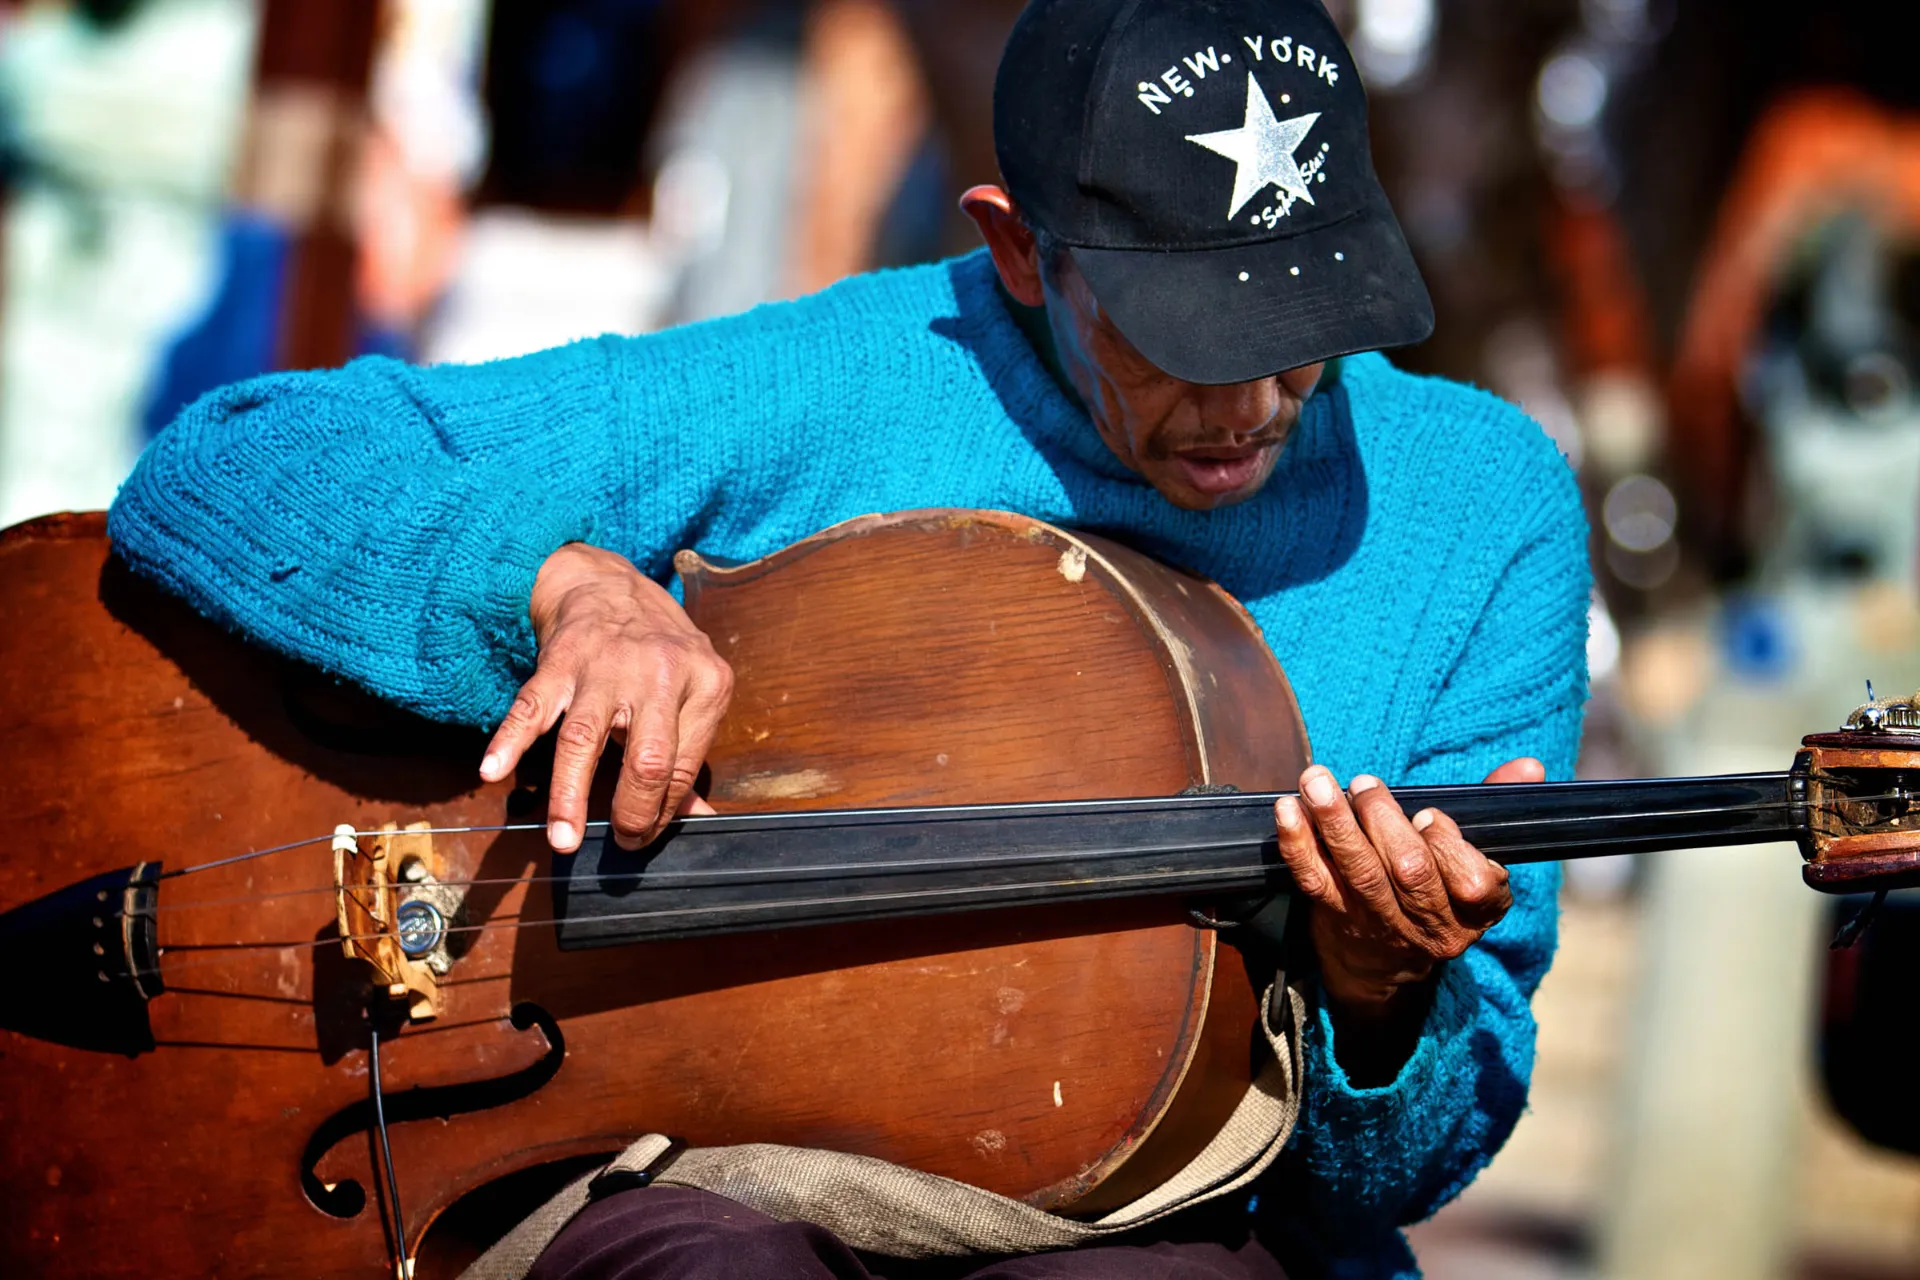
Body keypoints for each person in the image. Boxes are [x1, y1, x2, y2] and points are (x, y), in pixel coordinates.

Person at [105, 0, 1589, 1275]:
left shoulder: (1483, 505)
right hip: (731, 1153)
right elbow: (232, 460)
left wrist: (1382, 1004)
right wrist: (557, 583)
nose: (1259, 401)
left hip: (1186, 1222)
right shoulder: (847, 375)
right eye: (1189, 337)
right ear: (1019, 255)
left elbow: (1398, 1175)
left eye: (1306, 322)